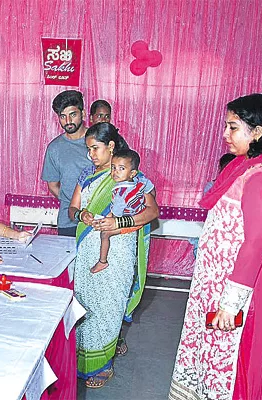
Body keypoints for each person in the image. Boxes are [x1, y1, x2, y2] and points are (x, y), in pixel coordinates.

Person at [169, 94, 262, 400]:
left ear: (257, 132)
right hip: (227, 286)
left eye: (232, 127)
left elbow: (257, 243)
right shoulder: (248, 166)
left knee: (238, 370)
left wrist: (230, 304)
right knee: (211, 361)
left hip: (248, 294)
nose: (224, 134)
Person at [68, 123, 159, 388]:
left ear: (111, 146)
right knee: (85, 304)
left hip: (118, 248)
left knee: (109, 304)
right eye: (88, 149)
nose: (91, 155)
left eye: (95, 148)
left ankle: (103, 365)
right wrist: (81, 214)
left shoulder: (133, 177)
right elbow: (73, 209)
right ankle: (81, 359)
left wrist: (119, 223)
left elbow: (152, 212)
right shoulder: (87, 174)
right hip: (87, 249)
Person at [88, 149, 155, 274]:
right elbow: (151, 188)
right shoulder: (139, 183)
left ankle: (102, 261)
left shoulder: (121, 192)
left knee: (104, 234)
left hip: (130, 221)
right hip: (137, 215)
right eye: (113, 168)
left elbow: (117, 214)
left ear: (132, 173)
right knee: (103, 220)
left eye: (121, 168)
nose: (115, 172)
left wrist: (110, 220)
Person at [42, 90, 91, 236]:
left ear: (82, 114)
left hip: (100, 220)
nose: (68, 121)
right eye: (63, 116)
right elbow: (53, 185)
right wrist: (73, 205)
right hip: (68, 222)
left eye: (73, 114)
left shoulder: (99, 141)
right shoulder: (54, 148)